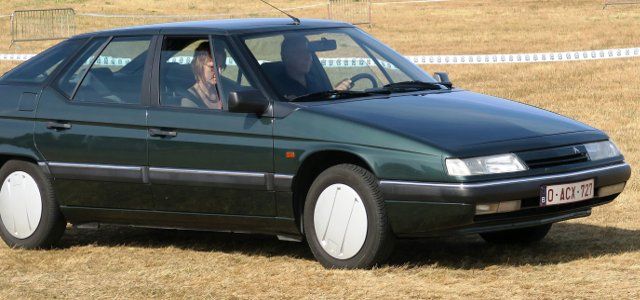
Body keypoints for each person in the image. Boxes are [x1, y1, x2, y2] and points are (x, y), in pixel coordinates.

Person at [275, 35, 352, 100]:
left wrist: (335, 93)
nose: (307, 58)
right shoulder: (275, 88)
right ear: (285, 56)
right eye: (300, 53)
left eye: (309, 52)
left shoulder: (316, 81)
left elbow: (324, 102)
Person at [181, 41, 227, 109]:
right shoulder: (189, 100)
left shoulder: (224, 90)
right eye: (213, 67)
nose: (219, 72)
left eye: (221, 66)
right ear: (199, 67)